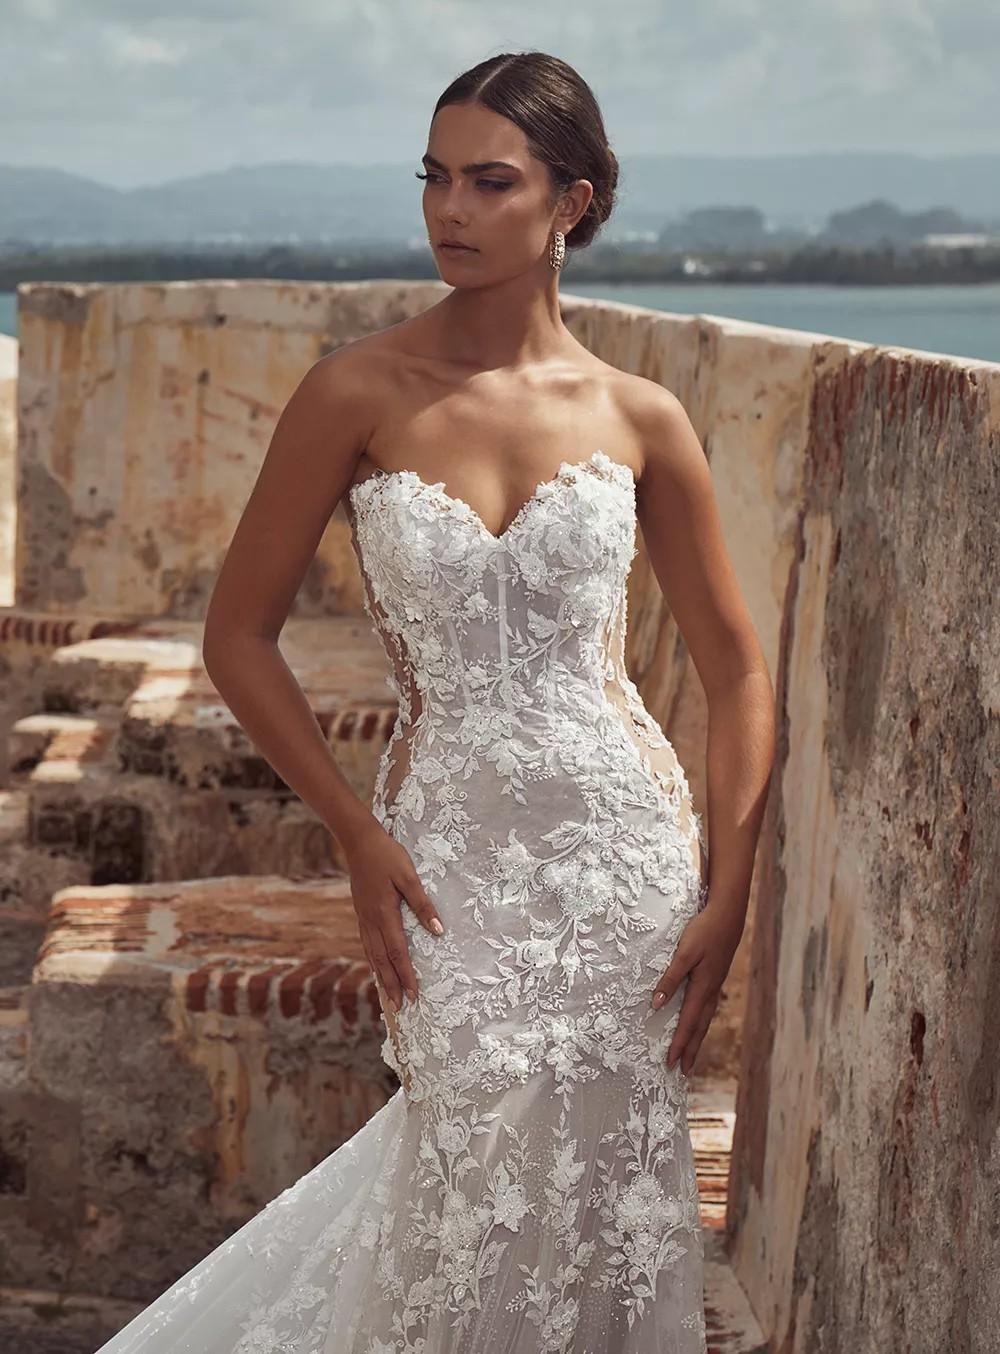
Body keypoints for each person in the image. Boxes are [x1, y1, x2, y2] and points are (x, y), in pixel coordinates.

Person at [97, 49, 775, 1354]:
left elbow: (739, 667)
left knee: (603, 1183)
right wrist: (355, 830)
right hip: (444, 857)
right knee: (467, 1160)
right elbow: (239, 636)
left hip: (623, 858)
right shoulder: (356, 391)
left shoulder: (640, 416)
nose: (449, 210)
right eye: (434, 177)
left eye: (489, 182)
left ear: (572, 202)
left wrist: (730, 887)